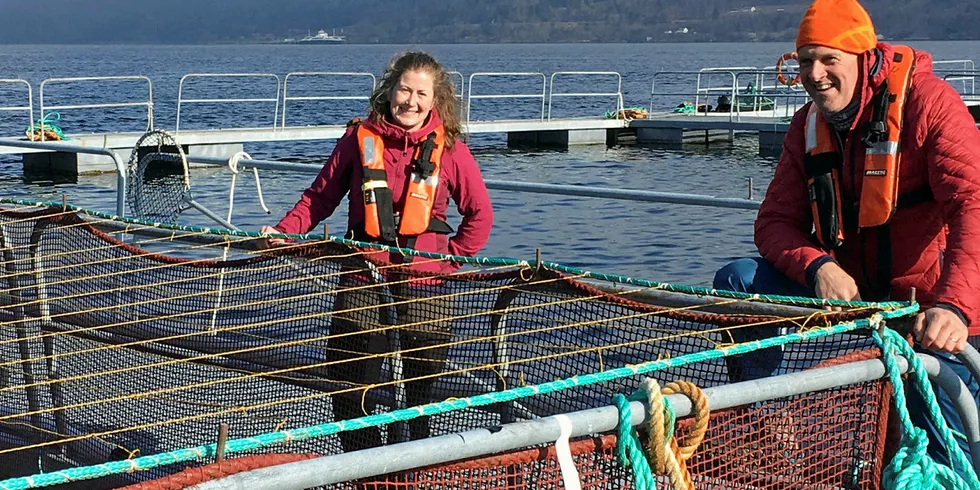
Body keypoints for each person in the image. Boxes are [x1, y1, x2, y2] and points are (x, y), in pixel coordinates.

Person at [713, 0, 980, 473]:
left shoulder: (930, 104)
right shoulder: (807, 126)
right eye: (805, 61)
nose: (814, 75)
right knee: (737, 280)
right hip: (853, 298)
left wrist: (954, 307)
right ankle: (767, 422)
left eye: (828, 59)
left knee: (943, 457)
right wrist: (818, 266)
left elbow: (973, 205)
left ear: (863, 56)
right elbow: (773, 224)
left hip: (932, 310)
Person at [260, 51, 494, 451]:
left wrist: (448, 259)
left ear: (435, 100)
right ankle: (364, 472)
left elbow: (480, 215)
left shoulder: (451, 149)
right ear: (389, 91)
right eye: (405, 89)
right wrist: (284, 232)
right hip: (363, 280)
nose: (411, 101)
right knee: (351, 391)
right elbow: (319, 198)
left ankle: (409, 471)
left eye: (422, 93)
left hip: (425, 286)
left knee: (419, 401)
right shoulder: (357, 140)